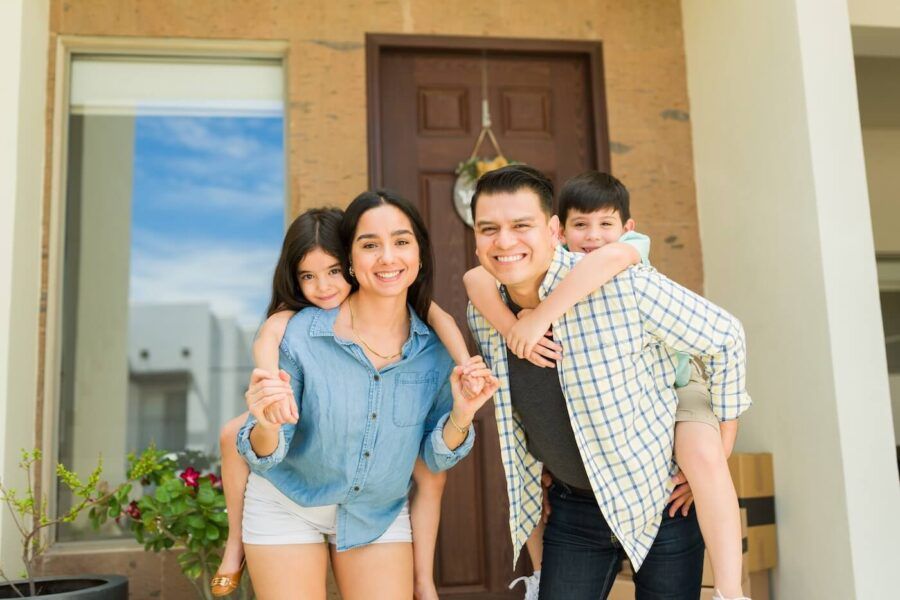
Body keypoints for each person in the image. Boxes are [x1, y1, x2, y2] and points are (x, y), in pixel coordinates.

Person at [465, 165, 751, 600]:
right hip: (573, 508)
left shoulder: (622, 285)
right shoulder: (484, 315)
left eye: (521, 225)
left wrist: (724, 439)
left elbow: (726, 337)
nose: (504, 241)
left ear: (553, 229)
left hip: (660, 503)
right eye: (489, 229)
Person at [212, 200, 497, 599]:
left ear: (419, 253)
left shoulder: (435, 351)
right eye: (369, 245)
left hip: (376, 515)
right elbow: (267, 453)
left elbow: (435, 460)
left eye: (401, 241)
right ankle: (234, 550)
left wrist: (463, 414)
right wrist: (267, 423)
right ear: (351, 258)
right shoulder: (299, 332)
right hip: (287, 503)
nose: (387, 257)